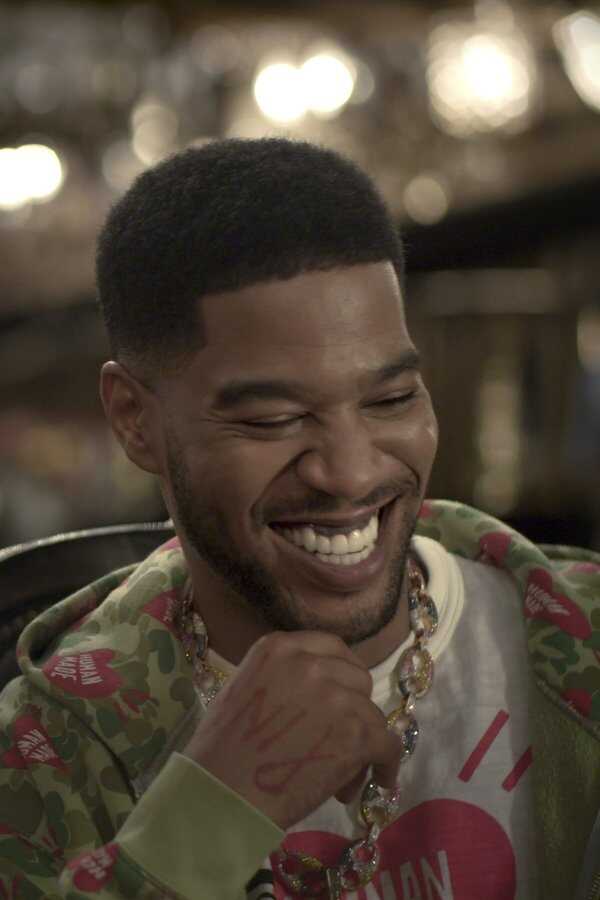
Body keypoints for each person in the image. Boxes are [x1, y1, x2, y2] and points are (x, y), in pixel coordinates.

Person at [0, 138, 599, 900]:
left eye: (391, 400)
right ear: (134, 420)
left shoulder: (579, 642)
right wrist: (199, 825)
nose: (351, 472)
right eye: (273, 419)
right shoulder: (49, 752)